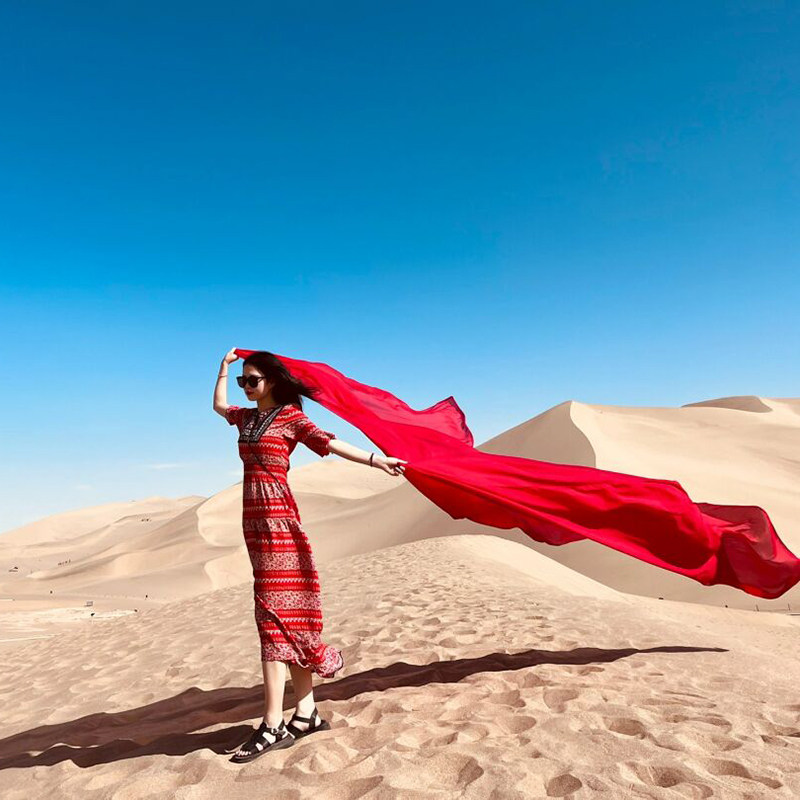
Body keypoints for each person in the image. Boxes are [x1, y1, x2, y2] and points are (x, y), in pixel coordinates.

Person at [214, 348, 406, 763]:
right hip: (255, 525)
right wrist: (225, 367)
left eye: (253, 380)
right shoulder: (246, 419)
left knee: (272, 616)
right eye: (243, 381)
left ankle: (271, 725)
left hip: (280, 521)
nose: (246, 387)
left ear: (273, 382)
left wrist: (377, 459)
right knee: (287, 617)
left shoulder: (289, 418)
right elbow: (218, 406)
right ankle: (306, 712)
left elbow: (330, 443)